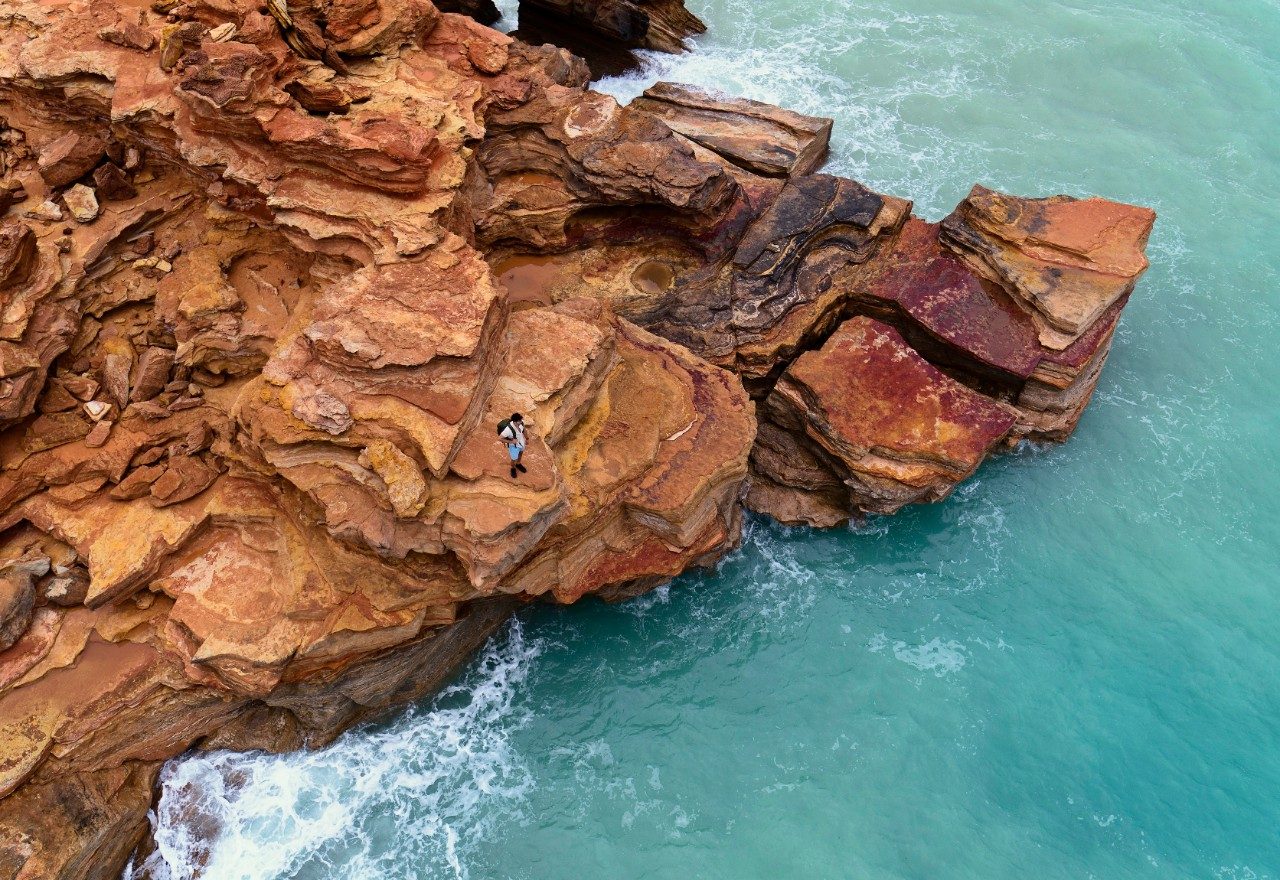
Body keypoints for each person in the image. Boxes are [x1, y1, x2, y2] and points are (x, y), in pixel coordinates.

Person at [498, 412, 527, 479]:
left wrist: (527, 438)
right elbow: (499, 438)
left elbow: (524, 430)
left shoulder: (521, 423)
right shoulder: (508, 430)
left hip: (521, 442)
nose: (521, 421)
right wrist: (511, 441)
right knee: (514, 459)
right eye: (519, 421)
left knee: (520, 453)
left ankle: (518, 464)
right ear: (515, 421)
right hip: (513, 446)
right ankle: (513, 468)